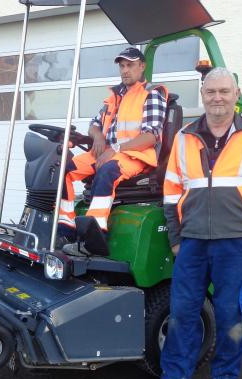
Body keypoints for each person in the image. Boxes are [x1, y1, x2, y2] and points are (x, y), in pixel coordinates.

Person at [143, 68, 242, 379]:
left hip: (236, 242)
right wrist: (177, 238)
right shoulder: (184, 137)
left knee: (231, 314)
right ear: (202, 95)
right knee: (182, 313)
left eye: (224, 91)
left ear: (237, 94)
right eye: (211, 92)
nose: (217, 98)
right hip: (192, 243)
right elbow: (172, 193)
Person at [57, 47, 167, 253]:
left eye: (130, 65)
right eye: (122, 66)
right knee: (64, 168)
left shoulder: (151, 95)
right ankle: (66, 229)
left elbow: (151, 136)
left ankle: (95, 238)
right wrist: (97, 136)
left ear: (142, 66)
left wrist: (115, 149)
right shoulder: (114, 96)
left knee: (107, 170)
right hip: (108, 152)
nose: (125, 70)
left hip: (136, 155)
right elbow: (94, 124)